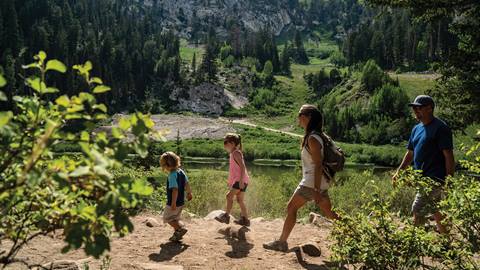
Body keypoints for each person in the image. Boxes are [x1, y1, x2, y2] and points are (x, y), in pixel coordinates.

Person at [263, 104, 339, 252]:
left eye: (300, 115)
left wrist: (316, 189)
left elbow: (318, 165)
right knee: (330, 213)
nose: (298, 118)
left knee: (291, 207)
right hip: (320, 181)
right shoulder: (320, 136)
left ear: (308, 117)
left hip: (312, 183)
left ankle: (281, 242)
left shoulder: (313, 138)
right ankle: (354, 235)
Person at [392, 95, 454, 233]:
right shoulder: (416, 129)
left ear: (429, 108)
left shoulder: (441, 128)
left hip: (435, 178)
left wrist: (450, 179)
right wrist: (399, 171)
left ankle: (416, 241)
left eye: (418, 108)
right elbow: (410, 154)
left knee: (417, 208)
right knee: (434, 208)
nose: (415, 110)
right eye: (414, 108)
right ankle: (446, 239)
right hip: (421, 178)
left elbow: (448, 155)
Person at [214, 133, 251, 226]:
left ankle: (226, 216)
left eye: (226, 142)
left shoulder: (236, 153)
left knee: (228, 196)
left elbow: (242, 167)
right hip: (241, 180)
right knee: (240, 200)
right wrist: (232, 182)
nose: (224, 144)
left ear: (233, 143)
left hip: (240, 180)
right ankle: (245, 220)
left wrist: (241, 181)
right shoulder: (234, 153)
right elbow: (235, 170)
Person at [160, 151, 193, 242]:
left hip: (173, 202)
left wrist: (173, 203)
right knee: (175, 218)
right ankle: (177, 234)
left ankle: (181, 228)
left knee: (167, 218)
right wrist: (189, 193)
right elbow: (187, 183)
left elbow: (175, 189)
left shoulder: (172, 175)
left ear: (166, 165)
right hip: (181, 201)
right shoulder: (181, 172)